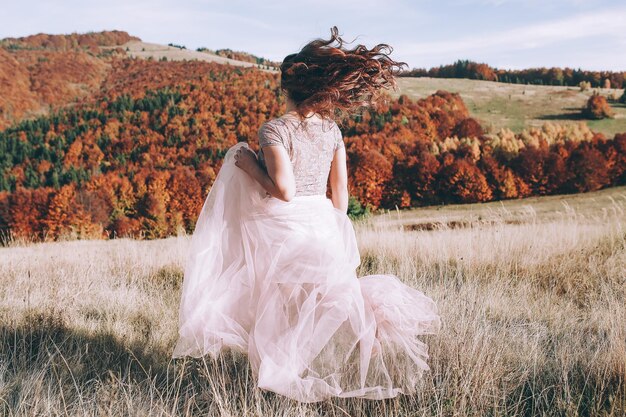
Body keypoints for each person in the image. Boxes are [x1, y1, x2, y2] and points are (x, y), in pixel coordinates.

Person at [172, 26, 442, 402]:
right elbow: (342, 194)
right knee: (315, 301)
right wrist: (333, 224)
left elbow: (284, 190)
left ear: (288, 88)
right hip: (323, 220)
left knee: (281, 304)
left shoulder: (275, 130)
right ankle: (300, 364)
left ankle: (278, 376)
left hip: (286, 226)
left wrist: (248, 164)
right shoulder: (332, 131)